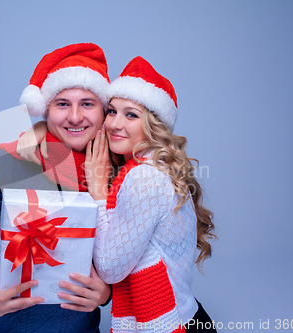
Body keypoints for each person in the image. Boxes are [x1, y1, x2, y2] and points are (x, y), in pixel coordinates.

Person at [19, 56, 217, 332]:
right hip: (182, 314)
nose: (114, 124)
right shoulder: (135, 164)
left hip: (172, 323)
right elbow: (76, 125)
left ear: (153, 125)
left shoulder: (143, 177)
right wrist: (39, 127)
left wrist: (98, 193)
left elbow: (111, 269)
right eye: (112, 111)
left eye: (131, 114)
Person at [0, 43, 112, 333]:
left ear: (104, 110)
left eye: (88, 103)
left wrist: (107, 294)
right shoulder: (3, 165)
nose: (76, 117)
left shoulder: (121, 175)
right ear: (45, 110)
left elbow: (132, 256)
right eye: (62, 103)